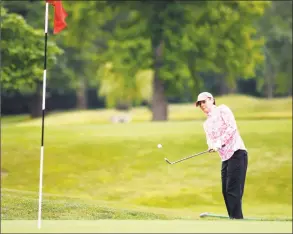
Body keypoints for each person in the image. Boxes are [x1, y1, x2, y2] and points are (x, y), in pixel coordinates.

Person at [195, 92, 248, 219]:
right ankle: (233, 217)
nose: (202, 105)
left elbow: (232, 128)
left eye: (204, 101)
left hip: (237, 153)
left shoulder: (223, 110)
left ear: (212, 100)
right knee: (225, 191)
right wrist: (211, 145)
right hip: (225, 158)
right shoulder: (206, 124)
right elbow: (209, 139)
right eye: (200, 103)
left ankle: (236, 219)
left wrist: (218, 143)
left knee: (232, 190)